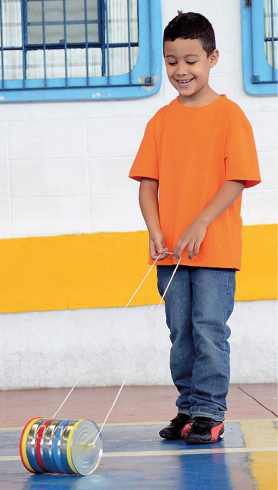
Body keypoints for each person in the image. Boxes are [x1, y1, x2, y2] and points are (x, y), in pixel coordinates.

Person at [129, 11, 261, 445]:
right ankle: (187, 408)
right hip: (171, 254)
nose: (181, 71)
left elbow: (236, 179)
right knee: (180, 332)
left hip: (215, 250)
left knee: (208, 327)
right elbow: (148, 186)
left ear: (213, 58)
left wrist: (201, 221)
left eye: (190, 60)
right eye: (171, 62)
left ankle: (209, 411)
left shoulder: (230, 116)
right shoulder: (161, 121)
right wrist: (154, 230)